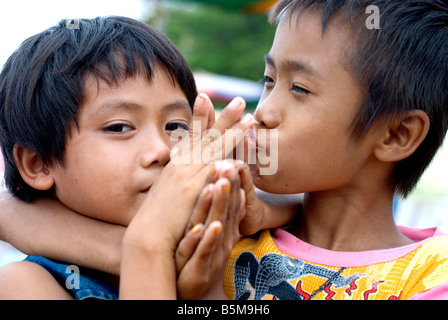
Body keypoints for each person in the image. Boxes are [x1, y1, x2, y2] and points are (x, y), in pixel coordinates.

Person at [0, 16, 291, 300]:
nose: (163, 151)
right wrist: (149, 246)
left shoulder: (231, 247)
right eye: (119, 127)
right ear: (37, 164)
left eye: (175, 126)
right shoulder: (22, 286)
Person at [222, 0, 448, 300]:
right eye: (269, 79)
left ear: (395, 134)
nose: (264, 112)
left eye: (300, 88)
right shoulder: (228, 229)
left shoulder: (428, 277)